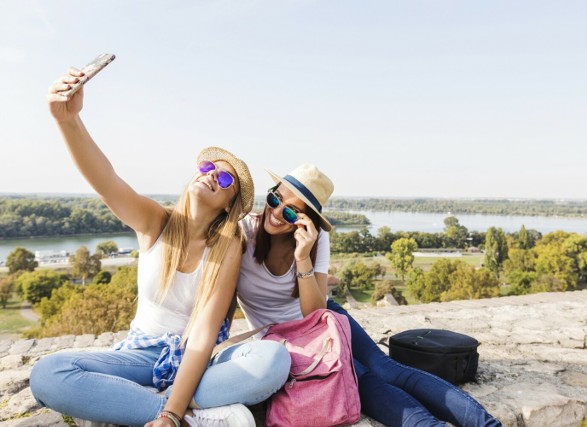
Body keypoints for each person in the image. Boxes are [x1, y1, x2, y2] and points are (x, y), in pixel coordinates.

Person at [30, 66, 291, 427]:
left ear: (229, 206)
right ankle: (189, 417)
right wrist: (68, 120)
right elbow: (106, 180)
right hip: (140, 356)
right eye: (207, 166)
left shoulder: (226, 247)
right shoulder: (156, 223)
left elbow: (201, 337)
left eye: (225, 177)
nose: (212, 174)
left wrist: (169, 410)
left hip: (199, 360)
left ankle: (155, 405)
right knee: (49, 373)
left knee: (273, 360)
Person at [236, 164, 503, 427]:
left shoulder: (314, 240)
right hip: (286, 341)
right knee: (361, 379)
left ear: (307, 220)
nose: (277, 212)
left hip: (324, 320)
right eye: (275, 198)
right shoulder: (244, 235)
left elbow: (315, 313)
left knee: (387, 370)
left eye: (292, 213)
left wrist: (302, 258)